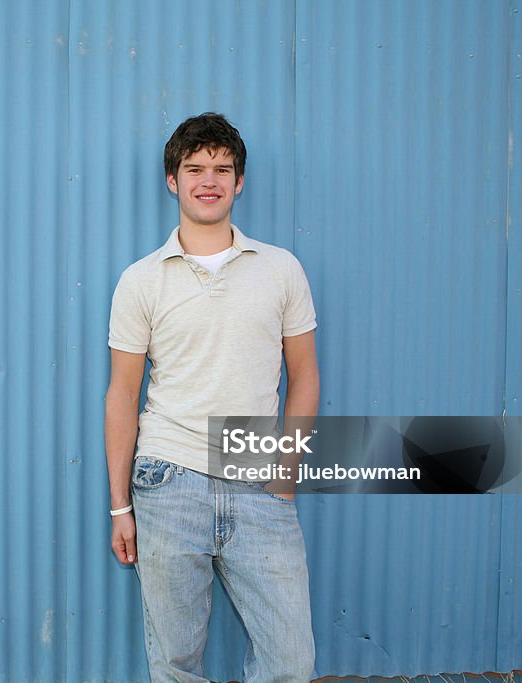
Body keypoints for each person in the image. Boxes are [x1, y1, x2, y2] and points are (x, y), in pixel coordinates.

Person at [104, 112, 319, 683]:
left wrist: (286, 471)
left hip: (257, 480)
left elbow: (305, 376)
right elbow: (123, 394)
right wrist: (120, 506)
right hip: (167, 481)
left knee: (291, 663)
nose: (209, 179)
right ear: (172, 180)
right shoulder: (141, 280)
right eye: (194, 168)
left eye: (222, 169)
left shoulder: (281, 269)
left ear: (240, 182)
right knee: (176, 664)